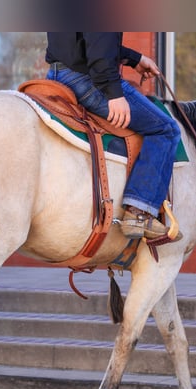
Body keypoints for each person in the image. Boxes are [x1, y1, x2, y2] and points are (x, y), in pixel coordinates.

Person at [45, 32, 182, 243]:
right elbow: (99, 47)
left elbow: (85, 42)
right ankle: (138, 212)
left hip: (57, 75)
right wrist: (114, 93)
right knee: (165, 129)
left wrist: (134, 58)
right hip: (87, 80)